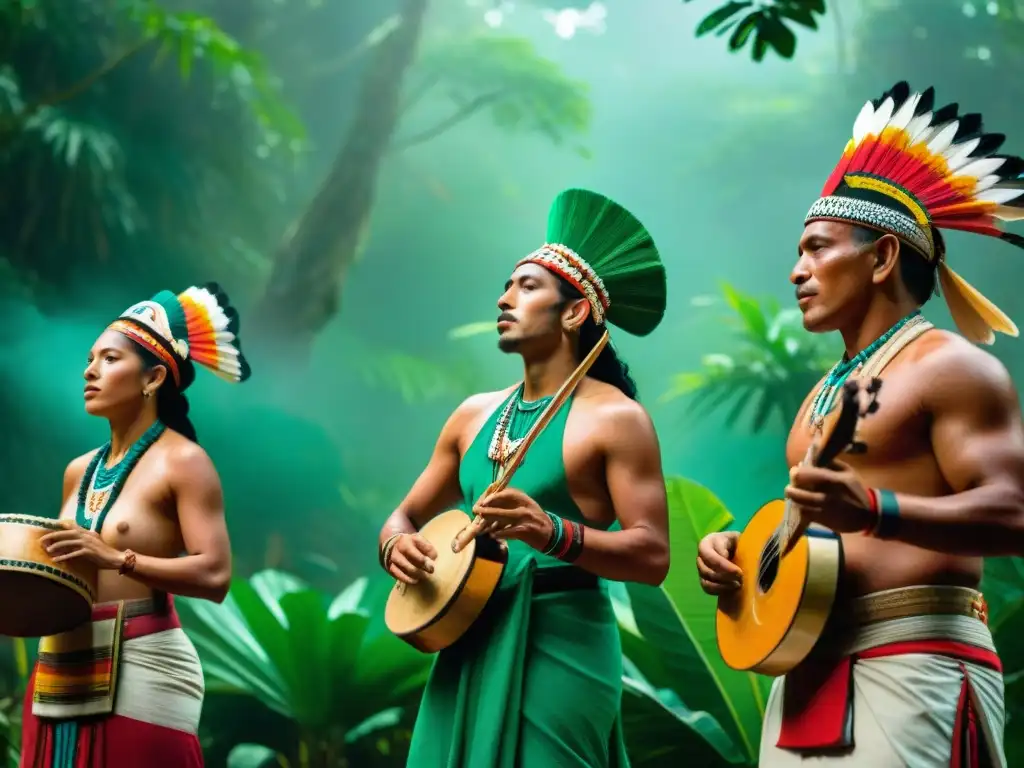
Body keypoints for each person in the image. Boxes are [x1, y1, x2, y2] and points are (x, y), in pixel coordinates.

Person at [696, 80, 1024, 767]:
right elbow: (812, 535)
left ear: (880, 258)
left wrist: (877, 509)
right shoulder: (822, 394)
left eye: (817, 248)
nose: (795, 271)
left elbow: (1014, 514)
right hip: (807, 665)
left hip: (916, 661)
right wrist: (743, 558)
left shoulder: (951, 368)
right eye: (798, 253)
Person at [378, 188, 670, 767]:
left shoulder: (617, 418)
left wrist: (553, 533)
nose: (504, 298)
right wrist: (395, 545)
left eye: (527, 286)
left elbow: (654, 554)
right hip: (467, 632)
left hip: (561, 642)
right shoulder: (472, 415)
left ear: (575, 311)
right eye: (508, 285)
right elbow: (404, 515)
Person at [20, 283, 251, 768]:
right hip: (61, 662)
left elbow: (215, 576)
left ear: (154, 377)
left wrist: (116, 558)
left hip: (143, 660)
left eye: (109, 359)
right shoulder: (77, 470)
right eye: (90, 359)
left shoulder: (185, 463)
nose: (90, 370)